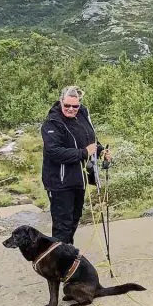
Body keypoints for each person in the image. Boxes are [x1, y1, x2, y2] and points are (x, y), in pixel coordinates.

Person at [40, 85, 109, 244]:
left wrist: (100, 151)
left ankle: (67, 255)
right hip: (59, 182)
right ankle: (59, 263)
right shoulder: (52, 123)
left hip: (79, 179)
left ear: (79, 104)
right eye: (67, 105)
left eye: (75, 106)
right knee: (62, 226)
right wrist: (84, 153)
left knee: (74, 220)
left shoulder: (83, 114)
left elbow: (90, 139)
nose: (71, 109)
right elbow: (54, 152)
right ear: (60, 101)